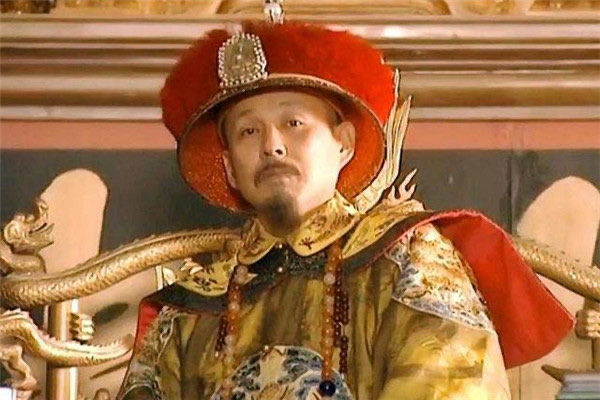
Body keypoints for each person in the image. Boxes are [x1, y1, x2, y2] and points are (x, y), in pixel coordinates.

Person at [117, 15, 573, 400]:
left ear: (344, 144)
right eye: (248, 132)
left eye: (294, 122)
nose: (272, 145)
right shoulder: (190, 309)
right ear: (230, 168)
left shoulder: (409, 261)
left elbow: (452, 384)